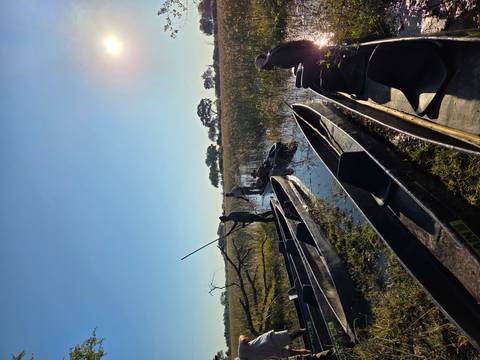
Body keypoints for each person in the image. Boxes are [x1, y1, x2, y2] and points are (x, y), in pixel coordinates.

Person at [236, 329, 311, 360]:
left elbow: (240, 338)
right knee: (294, 352)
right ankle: (310, 352)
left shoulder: (242, 353)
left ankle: (307, 329)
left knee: (292, 335)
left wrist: (244, 339)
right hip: (274, 353)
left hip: (270, 340)